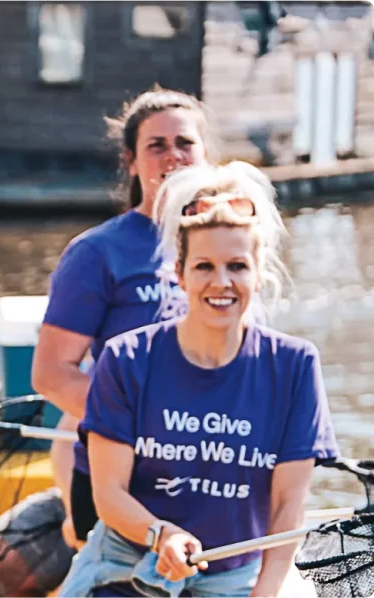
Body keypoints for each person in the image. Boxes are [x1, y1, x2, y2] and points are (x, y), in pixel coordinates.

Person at [58, 161, 339, 597]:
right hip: (127, 567)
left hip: (234, 580)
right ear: (179, 274)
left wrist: (263, 595)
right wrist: (162, 535)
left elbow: (287, 511)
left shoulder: (295, 366)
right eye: (204, 266)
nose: (221, 282)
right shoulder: (126, 358)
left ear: (258, 274)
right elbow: (108, 495)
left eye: (237, 266)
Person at [31, 86, 212, 549]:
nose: (174, 155)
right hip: (122, 475)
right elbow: (52, 375)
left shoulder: (231, 247)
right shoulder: (98, 252)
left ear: (205, 153)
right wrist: (145, 429)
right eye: (157, 146)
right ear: (131, 161)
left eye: (185, 143)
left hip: (210, 466)